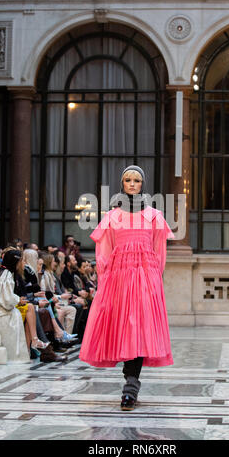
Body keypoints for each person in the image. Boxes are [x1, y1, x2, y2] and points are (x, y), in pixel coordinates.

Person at [79, 165, 175, 411]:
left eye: (137, 180)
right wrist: (105, 283)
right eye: (128, 180)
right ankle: (129, 383)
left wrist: (154, 280)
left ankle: (130, 388)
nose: (132, 184)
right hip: (118, 281)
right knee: (125, 328)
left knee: (140, 328)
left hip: (145, 280)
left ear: (143, 184)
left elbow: (159, 252)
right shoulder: (112, 217)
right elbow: (104, 253)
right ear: (122, 183)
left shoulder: (154, 216)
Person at [0, 250, 30, 363]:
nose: (22, 264)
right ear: (15, 262)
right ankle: (13, 356)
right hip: (0, 312)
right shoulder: (6, 276)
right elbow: (7, 299)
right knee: (16, 317)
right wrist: (18, 300)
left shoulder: (1, 272)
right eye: (20, 261)